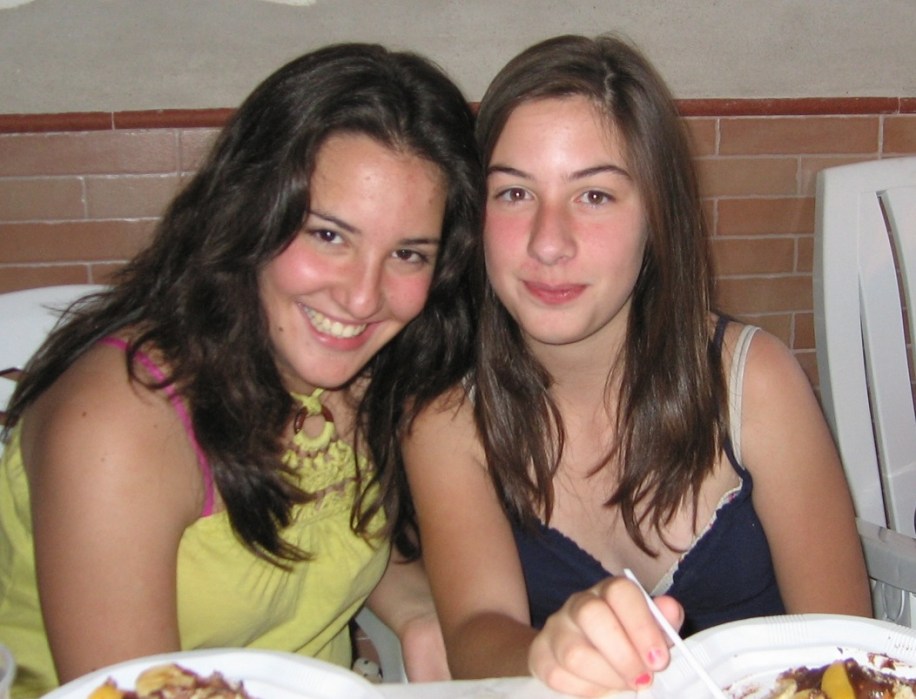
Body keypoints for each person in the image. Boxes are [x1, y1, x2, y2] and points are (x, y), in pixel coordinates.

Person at [0, 42, 481, 699]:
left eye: (407, 254)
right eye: (328, 235)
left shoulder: (369, 374)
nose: (363, 297)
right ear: (250, 212)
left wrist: (417, 611)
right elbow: (135, 691)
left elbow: (324, 545)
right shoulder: (119, 424)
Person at [402, 33, 871, 697]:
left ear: (656, 215)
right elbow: (477, 631)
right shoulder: (447, 418)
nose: (548, 242)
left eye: (594, 196)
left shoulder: (755, 384)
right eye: (513, 193)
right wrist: (550, 650)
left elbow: (849, 651)